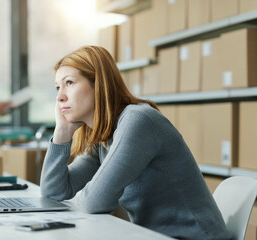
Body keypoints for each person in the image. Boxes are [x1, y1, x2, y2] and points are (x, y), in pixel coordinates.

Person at [40, 45, 232, 240]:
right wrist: (61, 132)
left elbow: (93, 202)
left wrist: (84, 197)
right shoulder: (104, 136)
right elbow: (54, 191)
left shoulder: (137, 121)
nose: (59, 97)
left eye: (69, 83)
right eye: (58, 87)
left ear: (98, 85)